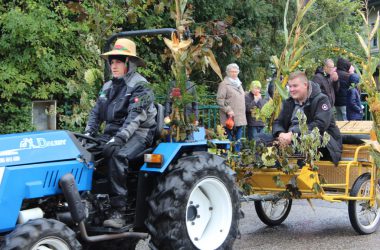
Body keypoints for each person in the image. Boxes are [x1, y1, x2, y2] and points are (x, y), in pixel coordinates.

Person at [85, 38, 157, 228]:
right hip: (112, 132)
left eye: (118, 61)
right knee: (85, 153)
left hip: (139, 133)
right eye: (112, 62)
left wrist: (120, 138)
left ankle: (120, 211)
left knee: (117, 154)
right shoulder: (108, 86)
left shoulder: (142, 86)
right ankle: (91, 204)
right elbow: (96, 113)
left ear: (129, 63)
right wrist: (87, 135)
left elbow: (136, 116)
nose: (114, 66)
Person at [272, 71, 342, 164]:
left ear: (305, 85)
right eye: (290, 86)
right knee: (260, 139)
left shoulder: (321, 100)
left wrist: (293, 134)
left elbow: (320, 125)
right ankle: (270, 175)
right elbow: (278, 122)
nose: (291, 89)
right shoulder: (289, 102)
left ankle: (299, 175)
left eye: (295, 86)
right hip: (290, 140)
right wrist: (281, 134)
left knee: (306, 140)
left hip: (323, 143)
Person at [217, 63, 247, 152]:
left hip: (239, 116)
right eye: (232, 72)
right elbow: (220, 99)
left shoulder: (239, 83)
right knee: (228, 138)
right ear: (227, 72)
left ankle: (237, 156)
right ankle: (227, 156)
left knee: (238, 139)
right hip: (229, 117)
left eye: (236, 72)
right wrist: (228, 110)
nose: (234, 73)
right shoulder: (224, 84)